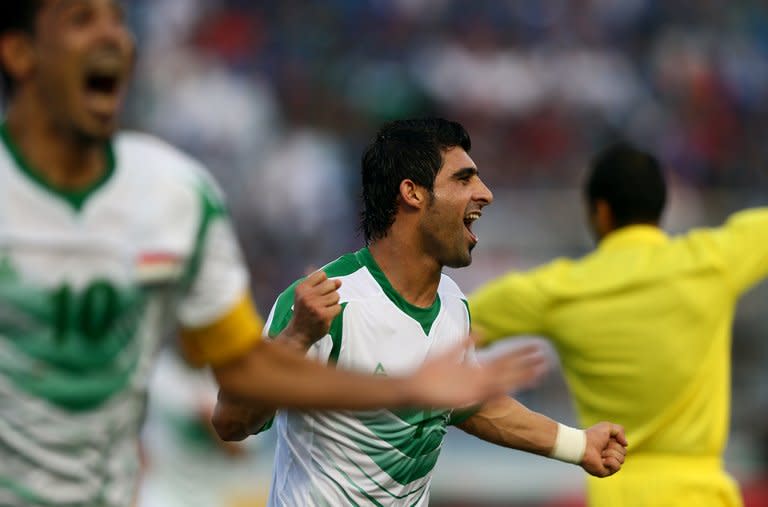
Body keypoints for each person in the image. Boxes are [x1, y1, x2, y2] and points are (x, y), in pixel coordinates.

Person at [0, 2, 550, 506]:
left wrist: (390, 381)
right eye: (81, 20)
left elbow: (239, 380)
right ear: (19, 52)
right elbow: (232, 420)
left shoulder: (177, 196)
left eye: (118, 20)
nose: (114, 37)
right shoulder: (326, 294)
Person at [213, 118, 628, 506]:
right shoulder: (324, 301)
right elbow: (231, 423)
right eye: (464, 178)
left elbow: (471, 405)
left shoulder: (453, 304)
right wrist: (297, 338)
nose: (485, 193)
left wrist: (577, 445)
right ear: (412, 193)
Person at [468, 142, 768, 506]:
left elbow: (450, 326)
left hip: (615, 489)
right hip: (703, 492)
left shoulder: (558, 290)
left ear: (601, 211)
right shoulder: (712, 261)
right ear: (662, 206)